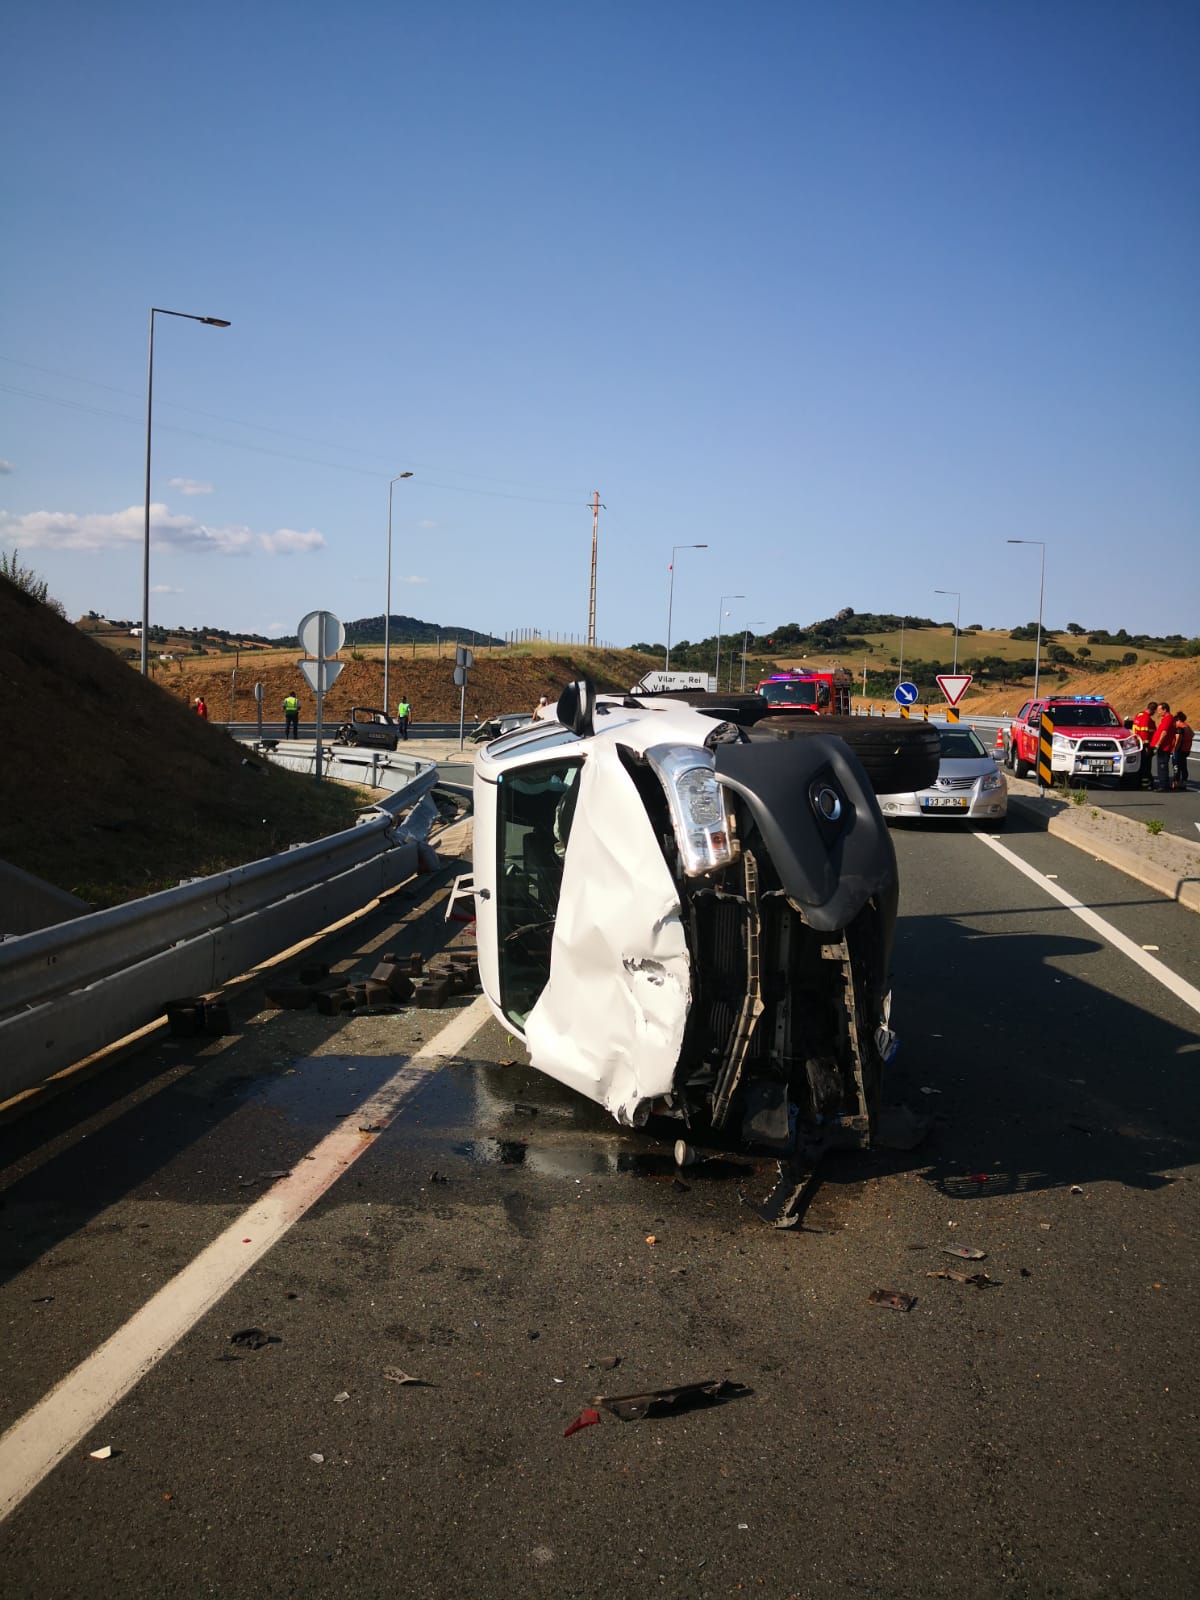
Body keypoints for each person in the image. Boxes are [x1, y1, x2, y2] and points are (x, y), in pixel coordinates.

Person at [1150, 702, 1177, 793]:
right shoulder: (1166, 719)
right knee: (1163, 765)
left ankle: (1162, 786)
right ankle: (1165, 784)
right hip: (1164, 746)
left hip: (1164, 747)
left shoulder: (1168, 719)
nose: (1158, 712)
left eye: (1159, 710)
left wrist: (1158, 744)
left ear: (1165, 710)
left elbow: (1164, 733)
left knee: (1162, 766)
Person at [1130, 701, 1158, 789]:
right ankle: (1146, 783)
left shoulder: (1139, 715)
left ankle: (1139, 782)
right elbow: (1144, 732)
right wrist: (1146, 746)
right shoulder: (1146, 718)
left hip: (1137, 743)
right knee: (1146, 765)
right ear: (1153, 710)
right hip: (1144, 745)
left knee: (1140, 764)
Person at [1171, 711, 1191, 791]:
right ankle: (1184, 782)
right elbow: (1192, 735)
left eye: (1175, 720)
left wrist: (1174, 750)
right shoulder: (1187, 727)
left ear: (1178, 720)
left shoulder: (1179, 729)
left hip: (1179, 750)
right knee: (1183, 766)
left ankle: (1175, 783)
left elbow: (1178, 740)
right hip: (1186, 750)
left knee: (1176, 767)